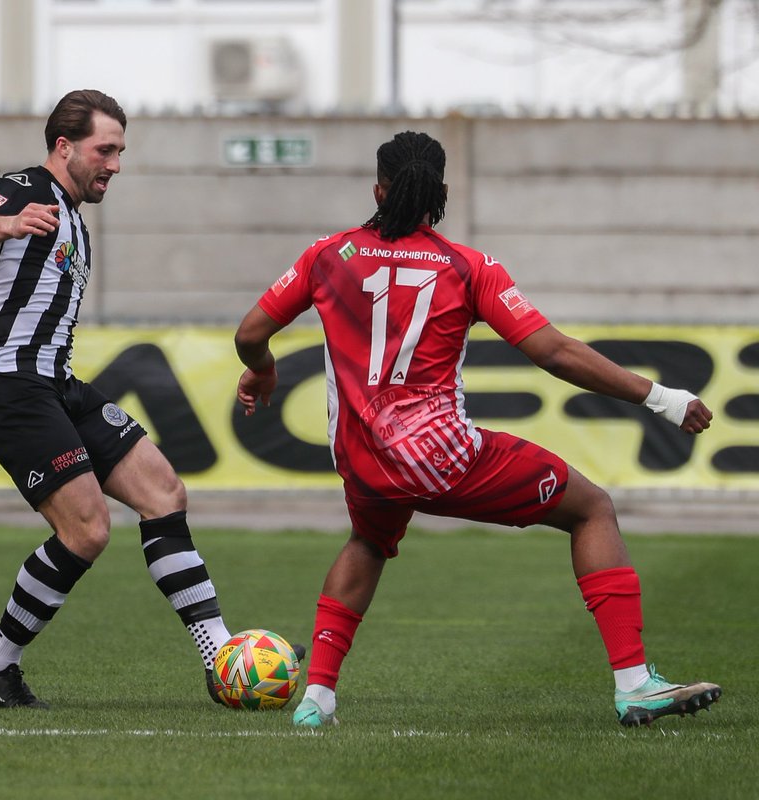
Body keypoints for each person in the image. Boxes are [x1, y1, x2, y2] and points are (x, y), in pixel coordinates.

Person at [233, 131, 722, 729]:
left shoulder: (328, 255)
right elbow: (555, 352)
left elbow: (250, 334)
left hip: (362, 458)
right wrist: (661, 396)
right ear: (442, 193)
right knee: (592, 508)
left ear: (378, 190)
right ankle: (636, 684)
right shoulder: (469, 267)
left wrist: (261, 375)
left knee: (368, 542)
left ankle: (316, 701)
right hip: (442, 456)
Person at [0, 89, 263, 709]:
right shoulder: (26, 189)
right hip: (8, 387)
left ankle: (222, 655)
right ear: (64, 147)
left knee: (163, 492)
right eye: (105, 149)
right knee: (87, 530)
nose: (115, 163)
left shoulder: (70, 214)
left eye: (120, 150)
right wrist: (7, 222)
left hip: (53, 383)